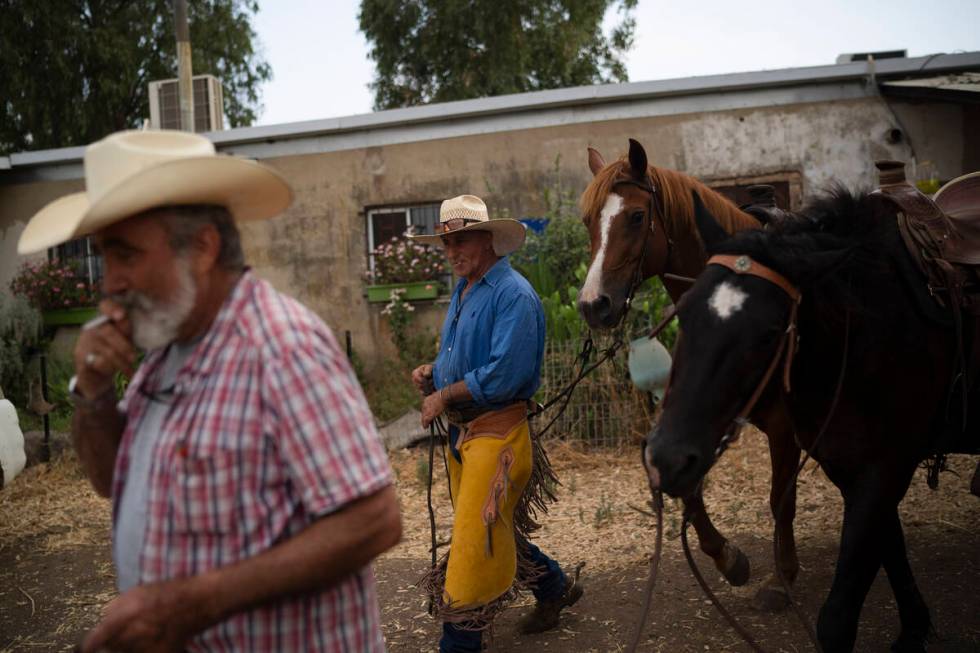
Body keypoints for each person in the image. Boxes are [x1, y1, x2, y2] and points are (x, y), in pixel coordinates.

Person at [16, 130, 401, 652]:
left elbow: (374, 521)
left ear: (202, 247)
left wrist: (193, 603)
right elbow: (112, 480)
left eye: (125, 255)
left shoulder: (279, 346)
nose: (109, 283)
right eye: (103, 257)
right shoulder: (167, 349)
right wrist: (93, 391)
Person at [409, 195, 583, 653]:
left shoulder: (514, 295)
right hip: (465, 435)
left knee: (472, 544)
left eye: (460, 240)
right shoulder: (466, 291)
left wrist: (444, 395)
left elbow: (505, 373)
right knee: (494, 527)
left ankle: (459, 646)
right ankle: (553, 586)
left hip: (498, 437)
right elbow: (468, 359)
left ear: (487, 239)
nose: (451, 252)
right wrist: (434, 372)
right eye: (446, 243)